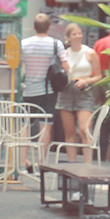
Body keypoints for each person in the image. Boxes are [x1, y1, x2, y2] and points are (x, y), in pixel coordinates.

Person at [18, 11, 66, 155]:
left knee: (24, 126)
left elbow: (18, 65)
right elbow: (65, 66)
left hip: (28, 91)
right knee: (46, 127)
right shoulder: (56, 44)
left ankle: (22, 162)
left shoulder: (24, 44)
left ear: (34, 27)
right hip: (48, 92)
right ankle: (41, 163)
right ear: (49, 27)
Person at [53, 23, 102, 161]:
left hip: (85, 91)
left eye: (79, 33)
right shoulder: (64, 54)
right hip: (67, 90)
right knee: (69, 131)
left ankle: (87, 164)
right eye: (74, 34)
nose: (78, 36)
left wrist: (86, 81)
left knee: (84, 129)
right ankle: (72, 162)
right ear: (68, 37)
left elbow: (98, 76)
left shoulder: (90, 53)